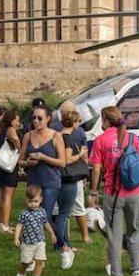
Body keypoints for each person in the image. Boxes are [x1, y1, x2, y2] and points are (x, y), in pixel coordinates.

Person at [89, 106, 139, 276]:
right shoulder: (133, 138)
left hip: (112, 194)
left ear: (106, 120)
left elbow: (97, 169)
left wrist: (93, 191)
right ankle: (137, 270)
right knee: (134, 232)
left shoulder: (100, 141)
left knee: (114, 236)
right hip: (134, 192)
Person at [20, 105, 67, 265]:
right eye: (34, 118)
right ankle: (37, 254)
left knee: (43, 215)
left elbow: (62, 162)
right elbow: (20, 160)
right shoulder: (28, 136)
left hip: (51, 181)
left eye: (40, 118)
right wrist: (27, 162)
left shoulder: (56, 136)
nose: (36, 121)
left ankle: (63, 247)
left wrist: (43, 157)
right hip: (34, 181)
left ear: (48, 119)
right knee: (33, 216)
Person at [51, 101, 91, 244]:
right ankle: (82, 237)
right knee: (77, 206)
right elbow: (82, 154)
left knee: (58, 209)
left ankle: (60, 239)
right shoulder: (77, 131)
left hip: (55, 173)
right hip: (71, 174)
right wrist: (82, 162)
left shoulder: (53, 129)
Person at [56, 108, 88, 267]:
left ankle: (63, 242)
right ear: (74, 123)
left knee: (61, 214)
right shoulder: (68, 137)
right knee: (64, 215)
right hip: (68, 178)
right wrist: (81, 154)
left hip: (58, 178)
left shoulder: (58, 135)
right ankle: (64, 245)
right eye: (78, 121)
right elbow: (68, 159)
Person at [13, 184, 57, 276]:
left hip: (40, 241)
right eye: (30, 201)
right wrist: (16, 237)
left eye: (35, 201)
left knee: (40, 261)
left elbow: (46, 223)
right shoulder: (24, 213)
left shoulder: (42, 212)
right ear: (26, 200)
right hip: (27, 243)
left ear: (41, 199)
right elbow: (19, 226)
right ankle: (21, 274)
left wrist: (52, 233)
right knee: (25, 262)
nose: (33, 204)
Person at [0, 109, 22, 233]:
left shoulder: (1, 130)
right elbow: (15, 140)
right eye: (17, 120)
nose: (18, 123)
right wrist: (19, 150)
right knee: (8, 196)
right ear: (11, 120)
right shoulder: (11, 130)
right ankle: (5, 225)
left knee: (3, 196)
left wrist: (0, 156)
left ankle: (2, 222)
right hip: (10, 167)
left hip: (1, 166)